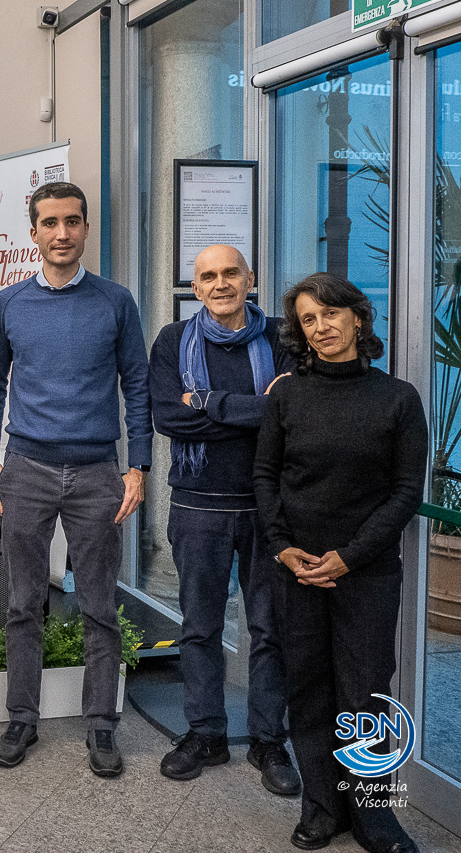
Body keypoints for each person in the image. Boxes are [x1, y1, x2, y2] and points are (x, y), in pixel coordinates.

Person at [0, 181, 151, 777]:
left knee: (100, 604)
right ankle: (21, 718)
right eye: (49, 223)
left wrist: (140, 465)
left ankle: (102, 726)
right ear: (33, 233)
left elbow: (138, 385)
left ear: (84, 229)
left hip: (99, 471)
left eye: (72, 222)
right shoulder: (10, 304)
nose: (61, 233)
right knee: (25, 603)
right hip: (25, 468)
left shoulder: (116, 301)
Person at [255, 273, 427, 853]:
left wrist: (348, 558)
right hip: (297, 568)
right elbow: (266, 477)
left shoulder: (398, 399)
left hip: (367, 572)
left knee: (366, 694)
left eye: (331, 314)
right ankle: (322, 807)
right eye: (309, 319)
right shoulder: (286, 396)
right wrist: (281, 546)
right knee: (309, 689)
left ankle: (376, 817)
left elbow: (405, 492)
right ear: (300, 331)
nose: (322, 326)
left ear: (358, 318)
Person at [148, 244, 300, 795]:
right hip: (197, 504)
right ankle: (205, 733)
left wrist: (206, 402)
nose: (219, 284)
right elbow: (167, 416)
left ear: (250, 278)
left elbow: (287, 415)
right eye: (207, 276)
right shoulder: (172, 342)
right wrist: (251, 409)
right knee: (199, 627)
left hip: (270, 506)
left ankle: (268, 741)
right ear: (195, 285)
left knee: (269, 629)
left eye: (229, 273)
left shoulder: (284, 337)